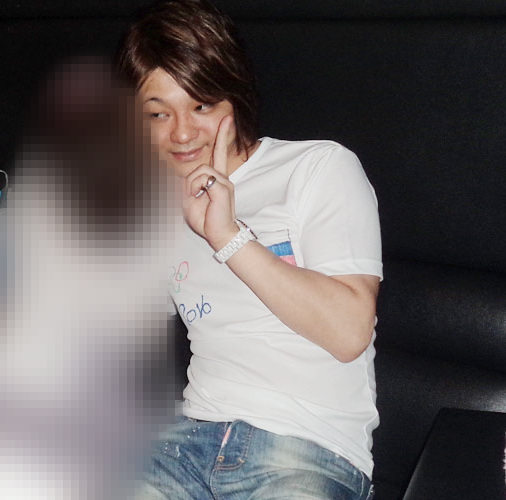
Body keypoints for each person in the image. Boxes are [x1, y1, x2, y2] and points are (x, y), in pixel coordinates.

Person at [115, 1, 382, 499]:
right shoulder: (155, 207)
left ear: (234, 97)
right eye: (158, 114)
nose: (182, 132)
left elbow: (349, 332)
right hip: (181, 444)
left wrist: (229, 237)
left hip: (306, 449)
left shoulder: (317, 168)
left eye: (201, 105)